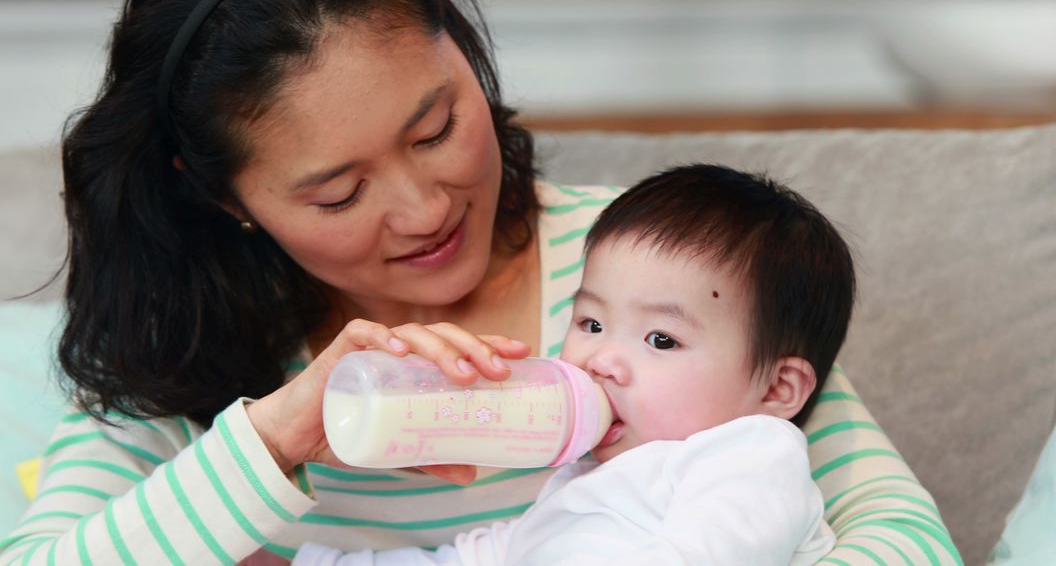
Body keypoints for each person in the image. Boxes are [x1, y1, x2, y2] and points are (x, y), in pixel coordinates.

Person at [0, 0, 959, 564]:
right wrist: (289, 428)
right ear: (224, 197)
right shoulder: (184, 343)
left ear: (465, 51)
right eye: (338, 193)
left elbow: (906, 541)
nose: (425, 209)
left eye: (436, 128)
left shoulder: (656, 275)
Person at [293, 163, 846, 566]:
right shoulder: (581, 483)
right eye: (591, 324)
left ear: (778, 388)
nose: (602, 359)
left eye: (660, 338)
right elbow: (473, 560)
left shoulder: (749, 459)